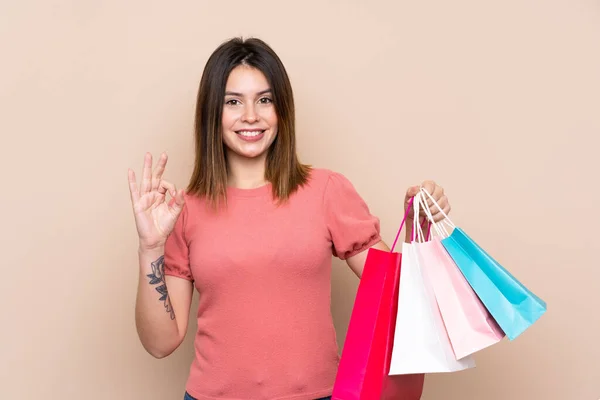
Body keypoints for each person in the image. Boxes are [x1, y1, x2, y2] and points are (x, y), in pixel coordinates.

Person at [127, 37, 451, 400]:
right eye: (233, 102)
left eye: (264, 100)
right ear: (211, 114)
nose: (251, 115)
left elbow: (399, 293)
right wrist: (150, 246)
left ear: (282, 110)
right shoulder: (182, 210)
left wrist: (421, 230)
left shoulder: (326, 190)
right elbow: (160, 343)